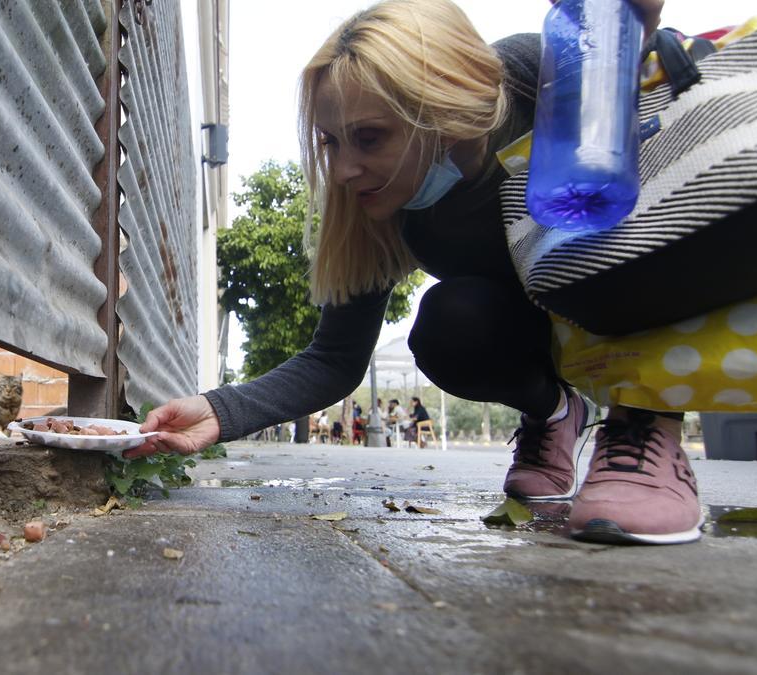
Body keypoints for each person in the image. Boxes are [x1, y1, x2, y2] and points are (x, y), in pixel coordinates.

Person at [129, 0, 697, 546]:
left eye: (369, 137)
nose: (344, 169)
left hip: (625, 296)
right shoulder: (374, 205)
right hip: (529, 328)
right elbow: (334, 359)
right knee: (450, 324)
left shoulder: (534, 78)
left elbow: (662, 213)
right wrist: (217, 410)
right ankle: (553, 411)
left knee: (618, 222)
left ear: (443, 106)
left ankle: (643, 426)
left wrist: (625, 45)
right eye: (329, 141)